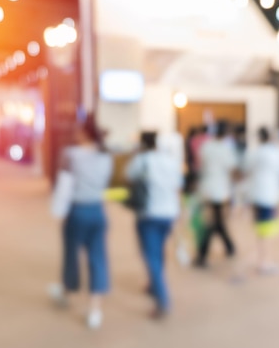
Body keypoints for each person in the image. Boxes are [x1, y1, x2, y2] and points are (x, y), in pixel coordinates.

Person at [49, 115, 113, 329]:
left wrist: (58, 210)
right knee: (97, 259)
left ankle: (67, 290)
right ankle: (95, 310)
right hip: (98, 211)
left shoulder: (71, 155)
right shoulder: (106, 156)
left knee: (71, 254)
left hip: (77, 211)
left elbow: (64, 185)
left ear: (84, 133)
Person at [126, 131, 182, 319]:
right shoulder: (172, 161)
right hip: (169, 213)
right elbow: (178, 186)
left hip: (149, 213)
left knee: (151, 256)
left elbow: (128, 175)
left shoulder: (143, 160)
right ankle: (152, 284)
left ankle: (162, 300)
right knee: (159, 251)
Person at [244, 127, 279, 275]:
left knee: (262, 228)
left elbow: (247, 171)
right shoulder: (278, 152)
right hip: (270, 194)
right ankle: (264, 262)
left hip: (256, 193)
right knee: (266, 230)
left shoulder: (254, 152)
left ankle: (263, 259)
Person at [195, 120, 239, 267]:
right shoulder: (226, 149)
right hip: (220, 189)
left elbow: (200, 164)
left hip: (207, 188)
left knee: (216, 220)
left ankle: (228, 247)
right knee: (215, 222)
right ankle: (206, 253)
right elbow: (232, 169)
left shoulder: (206, 147)